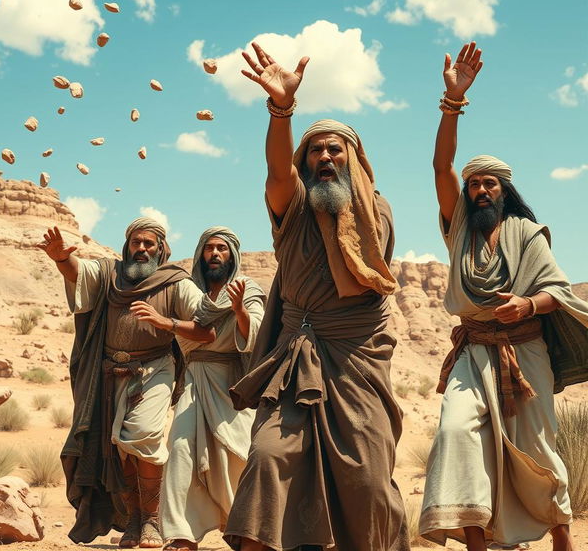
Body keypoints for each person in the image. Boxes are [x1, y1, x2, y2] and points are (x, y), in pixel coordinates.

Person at [223, 42, 410, 551]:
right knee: (266, 459)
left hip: (356, 360)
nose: (325, 157)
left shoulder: (380, 211)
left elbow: (367, 276)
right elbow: (277, 173)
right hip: (296, 357)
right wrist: (281, 111)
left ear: (353, 159)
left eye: (335, 150)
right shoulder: (294, 205)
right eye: (315, 151)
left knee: (368, 482)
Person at [420, 42, 588, 551]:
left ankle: (561, 537)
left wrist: (527, 305)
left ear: (505, 191)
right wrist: (453, 102)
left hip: (524, 348)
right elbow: (439, 163)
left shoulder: (529, 232)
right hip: (473, 350)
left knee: (533, 445)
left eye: (490, 184)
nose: (481, 192)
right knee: (454, 434)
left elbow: (558, 291)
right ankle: (475, 540)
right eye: (474, 186)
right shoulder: (458, 232)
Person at [38, 218, 214, 548]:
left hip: (154, 370)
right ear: (127, 246)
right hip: (107, 375)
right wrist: (62, 258)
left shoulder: (175, 282)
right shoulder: (110, 275)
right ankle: (134, 519)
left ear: (161, 249)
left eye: (149, 244)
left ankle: (152, 519)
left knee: (144, 434)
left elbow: (205, 326)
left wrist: (167, 322)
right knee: (117, 448)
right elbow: (79, 273)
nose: (142, 249)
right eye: (137, 243)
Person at [161, 226, 266, 550]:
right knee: (179, 449)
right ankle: (181, 534)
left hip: (231, 383)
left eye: (221, 248)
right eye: (209, 249)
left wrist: (239, 312)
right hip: (194, 377)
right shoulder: (189, 291)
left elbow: (259, 332)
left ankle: (246, 529)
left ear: (231, 254)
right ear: (201, 254)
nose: (215, 254)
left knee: (237, 454)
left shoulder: (246, 289)